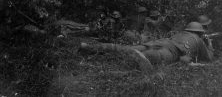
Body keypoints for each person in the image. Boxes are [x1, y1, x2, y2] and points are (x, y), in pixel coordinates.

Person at [80, 22, 214, 71]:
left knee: (124, 48)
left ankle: (90, 46)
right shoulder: (199, 40)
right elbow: (209, 58)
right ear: (200, 33)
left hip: (161, 41)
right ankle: (140, 58)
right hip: (171, 50)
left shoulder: (182, 32)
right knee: (153, 57)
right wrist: (209, 44)